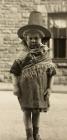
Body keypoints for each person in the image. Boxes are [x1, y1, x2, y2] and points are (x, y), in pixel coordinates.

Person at [10, 11, 56, 140]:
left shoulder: (45, 56)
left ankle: (36, 134)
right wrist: (16, 87)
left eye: (36, 38)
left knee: (36, 112)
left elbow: (51, 73)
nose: (33, 40)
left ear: (41, 39)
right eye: (31, 38)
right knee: (27, 112)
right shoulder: (22, 56)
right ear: (26, 39)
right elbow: (14, 72)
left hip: (40, 90)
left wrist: (50, 88)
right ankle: (29, 135)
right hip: (25, 90)